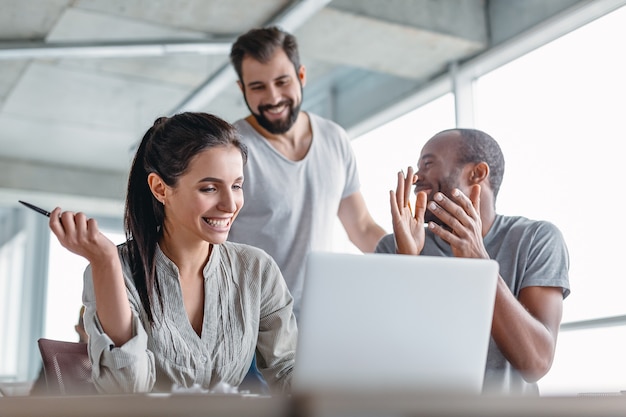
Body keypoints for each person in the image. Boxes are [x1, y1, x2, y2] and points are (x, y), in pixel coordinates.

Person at [47, 112, 297, 394]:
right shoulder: (115, 270)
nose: (230, 204)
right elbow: (127, 390)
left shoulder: (257, 270)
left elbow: (286, 371)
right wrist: (105, 261)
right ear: (160, 189)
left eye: (236, 186)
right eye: (210, 188)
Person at [376, 128, 570, 395]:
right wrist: (408, 265)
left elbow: (535, 362)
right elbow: (385, 363)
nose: (417, 177)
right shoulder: (393, 247)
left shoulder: (536, 239)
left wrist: (480, 264)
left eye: (428, 163)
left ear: (477, 173)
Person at [227, 26, 387, 318]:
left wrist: (412, 261)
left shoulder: (334, 138)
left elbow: (362, 228)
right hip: (255, 327)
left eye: (282, 81)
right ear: (242, 89)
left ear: (301, 76)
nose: (273, 98)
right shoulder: (231, 149)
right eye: (258, 87)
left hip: (323, 317)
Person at [30, 305, 88, 395]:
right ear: (78, 329)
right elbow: (35, 397)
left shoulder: (106, 364)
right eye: (90, 330)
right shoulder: (56, 361)